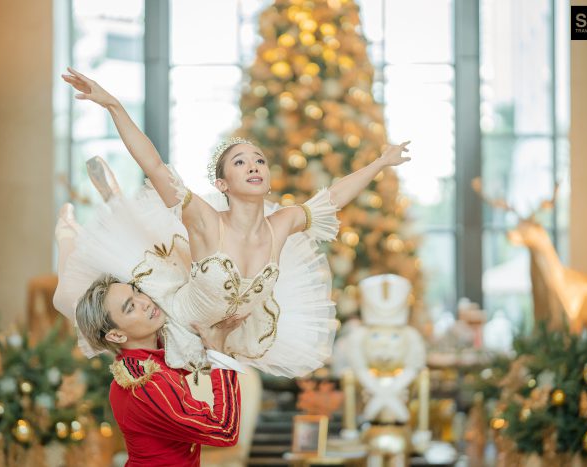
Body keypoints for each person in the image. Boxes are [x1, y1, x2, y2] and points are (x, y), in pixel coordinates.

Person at [55, 67, 412, 378]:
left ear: (268, 180)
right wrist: (113, 105)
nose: (254, 165)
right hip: (172, 319)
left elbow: (332, 198)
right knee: (69, 301)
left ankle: (114, 202)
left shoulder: (282, 223)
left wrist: (380, 164)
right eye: (240, 162)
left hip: (221, 337)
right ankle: (72, 231)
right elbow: (153, 165)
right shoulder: (205, 220)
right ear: (222, 185)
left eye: (258, 160)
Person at [73, 271, 246, 467]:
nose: (144, 302)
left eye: (137, 292)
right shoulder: (141, 384)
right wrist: (219, 352)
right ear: (116, 336)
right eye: (131, 307)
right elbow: (224, 430)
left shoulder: (157, 359)